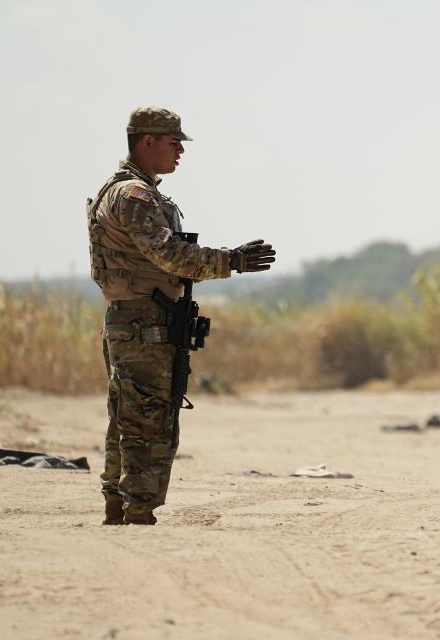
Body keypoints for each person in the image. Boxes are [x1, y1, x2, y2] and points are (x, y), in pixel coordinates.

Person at [87, 106, 276, 525]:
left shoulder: (138, 192)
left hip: (139, 319)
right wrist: (233, 261)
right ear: (146, 142)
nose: (180, 152)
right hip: (142, 324)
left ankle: (121, 503)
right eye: (173, 143)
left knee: (131, 412)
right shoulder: (132, 196)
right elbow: (169, 255)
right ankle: (137, 509)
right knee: (147, 416)